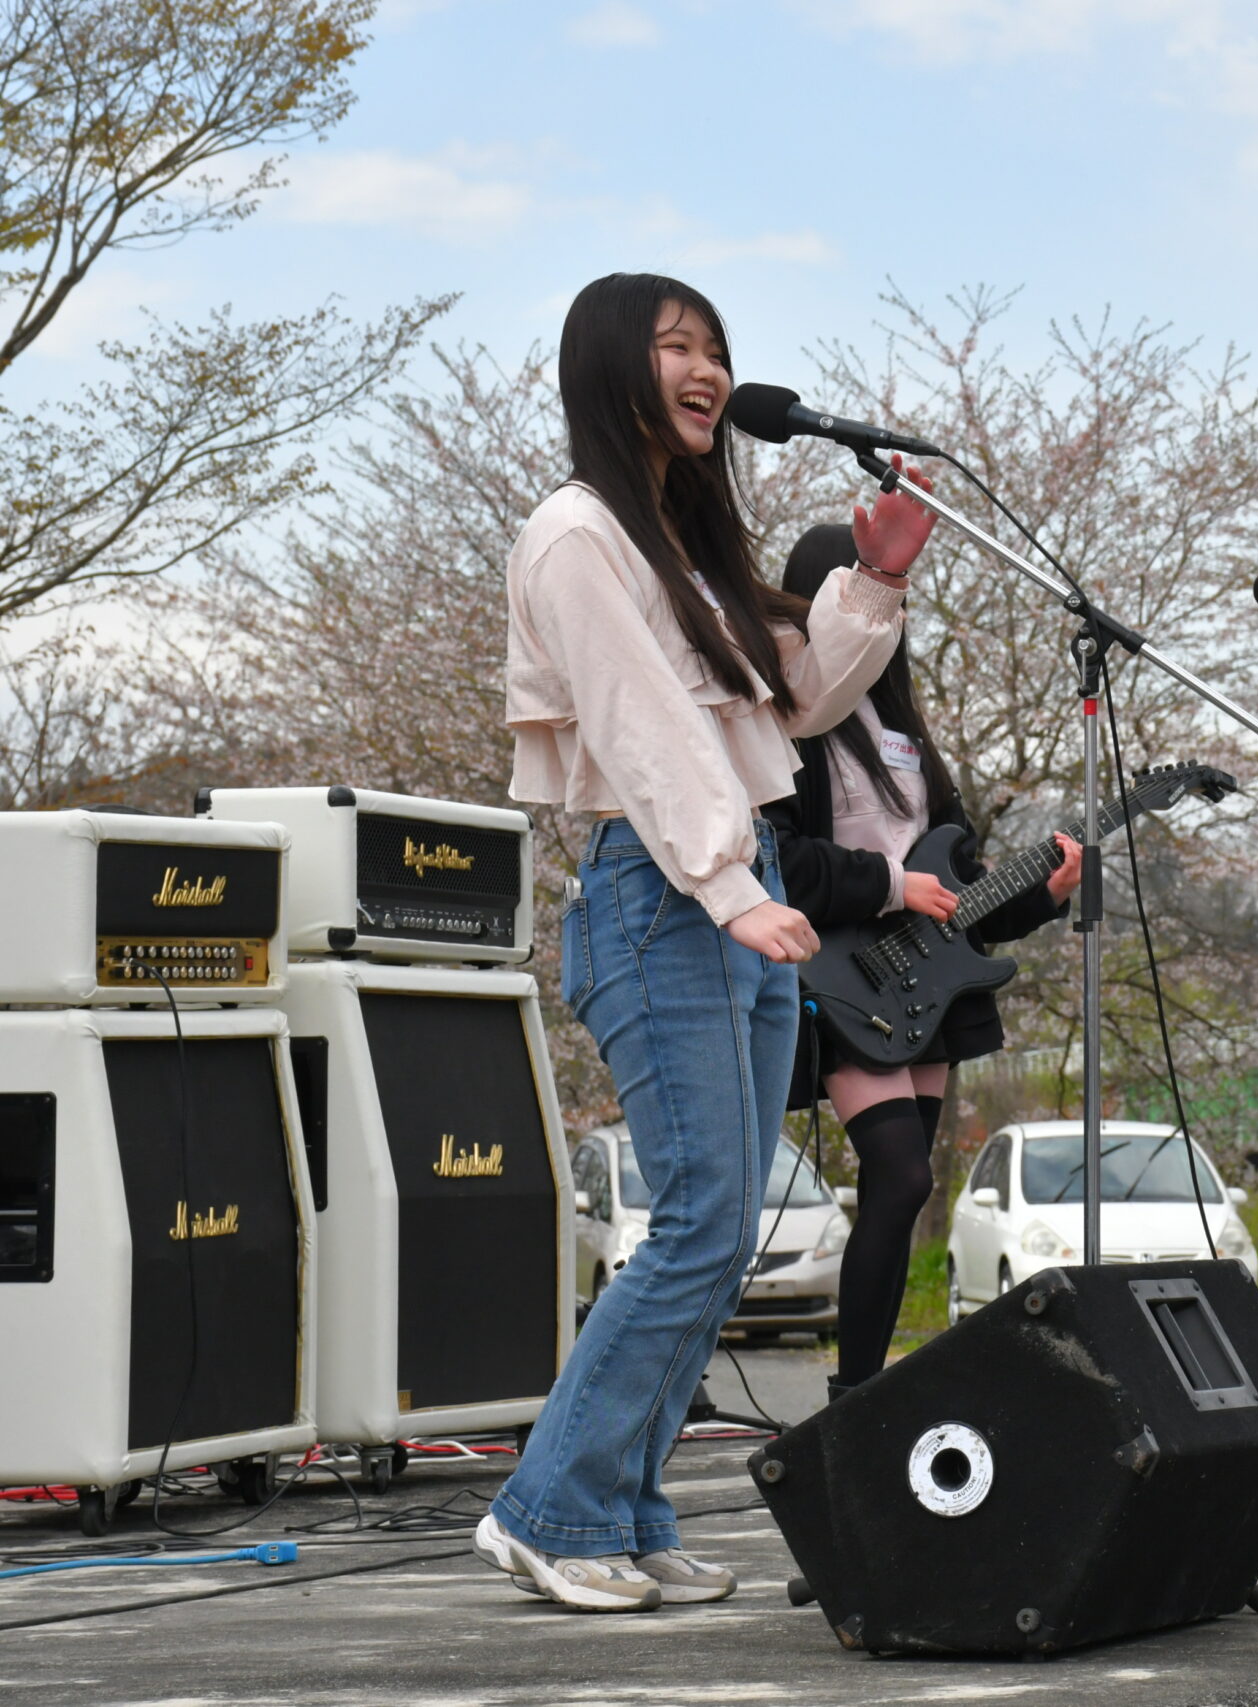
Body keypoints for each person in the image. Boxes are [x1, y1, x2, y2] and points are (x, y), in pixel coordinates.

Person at [475, 273, 936, 1612]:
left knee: (723, 1227)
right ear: (608, 369)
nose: (707, 371)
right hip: (664, 885)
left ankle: (620, 1509)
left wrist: (874, 582)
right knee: (696, 1222)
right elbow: (641, 725)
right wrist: (729, 883)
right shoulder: (576, 533)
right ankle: (548, 1509)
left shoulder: (679, 546)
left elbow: (785, 703)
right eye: (674, 346)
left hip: (727, 882)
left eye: (715, 348)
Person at [763, 522, 1081, 1400]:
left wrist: (1044, 895)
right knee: (900, 1176)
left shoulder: (907, 731)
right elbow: (779, 862)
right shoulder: (787, 726)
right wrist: (889, 885)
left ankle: (865, 1394)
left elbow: (962, 890)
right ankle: (854, 1397)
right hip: (843, 972)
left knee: (901, 1190)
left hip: (926, 981)